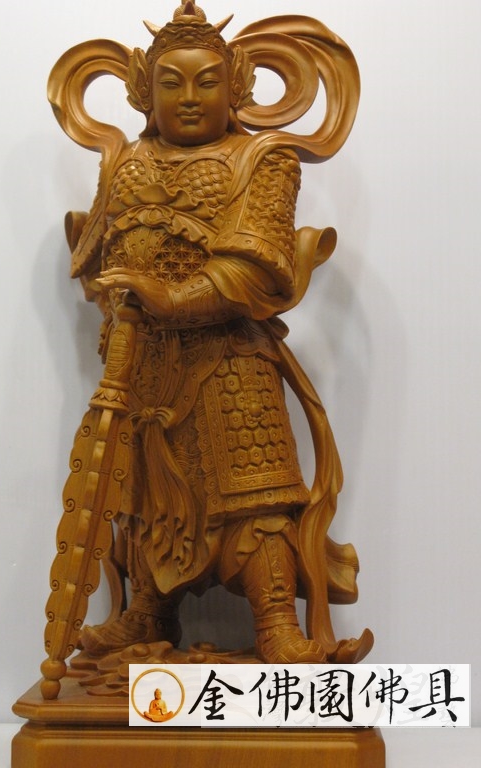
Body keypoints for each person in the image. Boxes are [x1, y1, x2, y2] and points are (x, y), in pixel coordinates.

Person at [55, 2, 370, 667]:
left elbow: (259, 263)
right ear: (145, 92)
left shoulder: (263, 158)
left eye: (207, 81)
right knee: (141, 492)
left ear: (237, 87)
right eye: (171, 83)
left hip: (230, 354)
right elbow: (100, 254)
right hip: (143, 360)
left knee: (256, 489)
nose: (190, 97)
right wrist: (115, 291)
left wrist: (172, 295)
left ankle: (276, 622)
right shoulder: (127, 162)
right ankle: (148, 611)